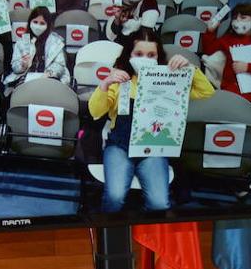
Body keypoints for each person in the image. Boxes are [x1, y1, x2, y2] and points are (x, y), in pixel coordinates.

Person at [88, 29, 214, 213]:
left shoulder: (170, 79)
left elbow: (206, 93)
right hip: (119, 146)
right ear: (129, 55)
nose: (145, 58)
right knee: (114, 197)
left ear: (158, 56)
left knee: (159, 204)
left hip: (153, 148)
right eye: (139, 54)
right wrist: (105, 84)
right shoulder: (120, 79)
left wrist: (190, 70)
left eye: (151, 55)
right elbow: (95, 112)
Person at [2, 6, 69, 96]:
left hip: (48, 79)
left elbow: (59, 65)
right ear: (30, 22)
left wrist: (49, 74)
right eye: (35, 22)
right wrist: (23, 64)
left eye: (42, 23)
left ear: (48, 25)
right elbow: (15, 67)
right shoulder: (22, 42)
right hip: (26, 79)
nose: (38, 26)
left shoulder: (56, 42)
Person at [201, 2, 251, 104]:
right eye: (235, 18)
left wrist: (248, 67)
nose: (237, 21)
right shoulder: (227, 39)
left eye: (243, 17)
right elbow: (209, 50)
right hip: (230, 90)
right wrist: (210, 32)